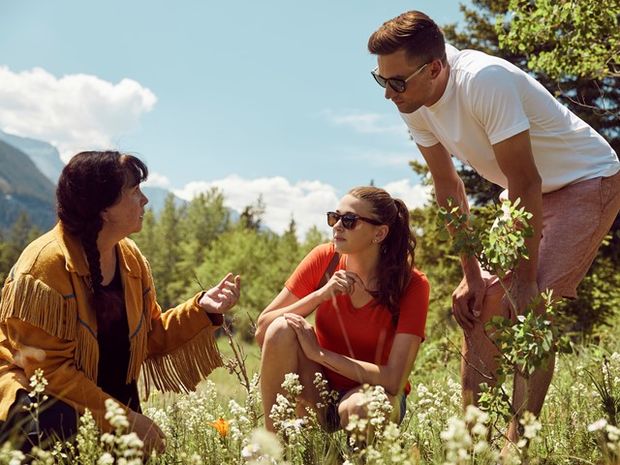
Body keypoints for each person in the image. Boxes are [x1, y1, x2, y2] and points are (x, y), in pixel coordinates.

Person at [367, 10, 620, 447]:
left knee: (528, 305)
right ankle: (473, 444)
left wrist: (524, 279)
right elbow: (448, 186)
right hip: (523, 191)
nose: (389, 94)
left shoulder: (484, 81)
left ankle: (516, 447)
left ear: (434, 68)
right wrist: (470, 276)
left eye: (397, 82)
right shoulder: (416, 102)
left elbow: (527, 181)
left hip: (586, 181)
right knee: (481, 303)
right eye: (381, 80)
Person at [0, 151, 241, 454]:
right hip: (41, 407)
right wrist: (126, 421)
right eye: (134, 191)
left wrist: (202, 308)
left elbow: (150, 335)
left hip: (103, 402)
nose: (145, 200)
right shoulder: (43, 266)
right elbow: (47, 374)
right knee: (58, 429)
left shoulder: (130, 258)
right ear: (103, 209)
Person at [255, 186, 429, 433]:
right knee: (283, 326)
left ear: (379, 233)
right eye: (334, 217)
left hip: (374, 396)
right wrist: (319, 295)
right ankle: (273, 450)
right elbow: (263, 330)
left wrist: (320, 355)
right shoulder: (324, 259)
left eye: (349, 220)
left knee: (358, 408)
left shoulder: (412, 284)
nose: (337, 226)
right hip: (318, 389)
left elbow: (394, 379)